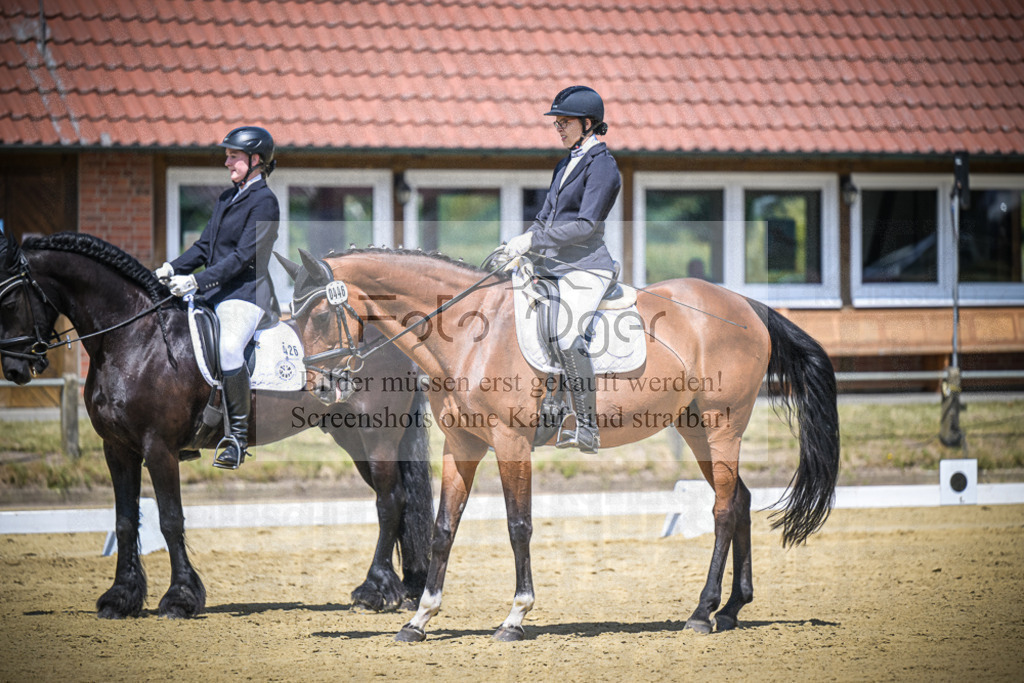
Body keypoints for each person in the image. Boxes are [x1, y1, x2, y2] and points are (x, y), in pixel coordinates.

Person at [502, 86, 621, 454]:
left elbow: (585, 225)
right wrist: (521, 244)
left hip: (586, 266)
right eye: (557, 122)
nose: (558, 127)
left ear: (588, 124)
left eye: (565, 121)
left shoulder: (603, 165)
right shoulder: (565, 163)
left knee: (567, 333)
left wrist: (535, 241)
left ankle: (587, 427)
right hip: (554, 265)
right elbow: (544, 218)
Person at [154, 126, 280, 469]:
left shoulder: (265, 201)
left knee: (227, 348)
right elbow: (204, 247)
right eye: (227, 156)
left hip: (246, 294)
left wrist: (196, 282)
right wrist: (170, 268)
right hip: (215, 292)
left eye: (233, 156)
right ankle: (191, 428)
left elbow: (242, 258)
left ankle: (237, 439)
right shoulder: (228, 198)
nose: (227, 162)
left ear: (256, 160)